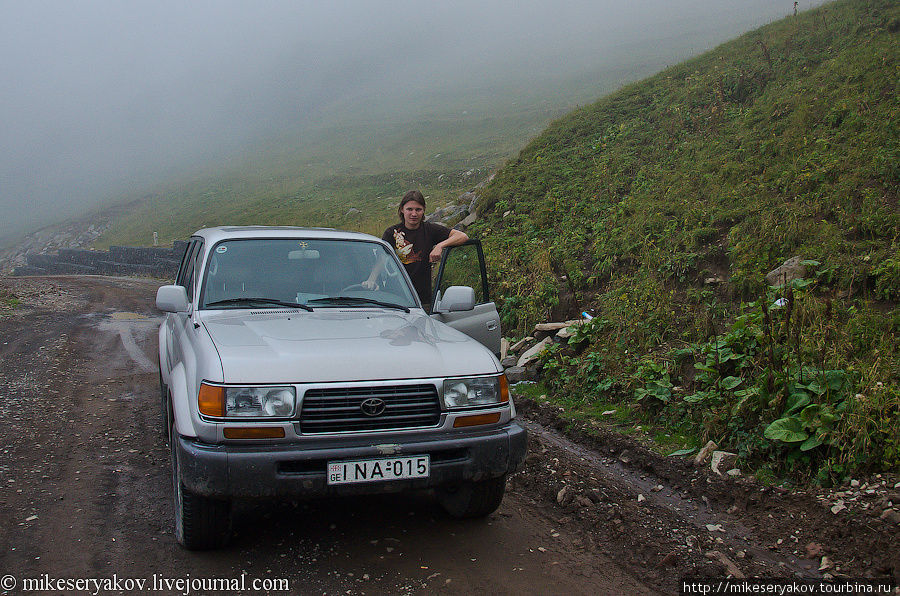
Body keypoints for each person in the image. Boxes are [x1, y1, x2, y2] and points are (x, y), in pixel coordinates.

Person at [365, 190, 468, 308]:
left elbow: (462, 236)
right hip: (394, 298)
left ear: (423, 210)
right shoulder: (391, 233)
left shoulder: (430, 230)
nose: (414, 214)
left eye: (418, 209)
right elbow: (381, 260)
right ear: (402, 210)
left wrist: (440, 245)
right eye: (409, 209)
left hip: (422, 300)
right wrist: (371, 279)